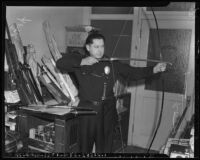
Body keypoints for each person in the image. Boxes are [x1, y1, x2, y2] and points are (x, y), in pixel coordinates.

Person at [56, 32, 167, 153]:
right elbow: (60, 63)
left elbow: (133, 72)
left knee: (105, 149)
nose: (100, 50)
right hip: (87, 111)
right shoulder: (80, 62)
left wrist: (154, 69)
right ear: (88, 48)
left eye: (102, 46)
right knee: (84, 148)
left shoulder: (111, 63)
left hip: (107, 112)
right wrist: (83, 61)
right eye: (96, 47)